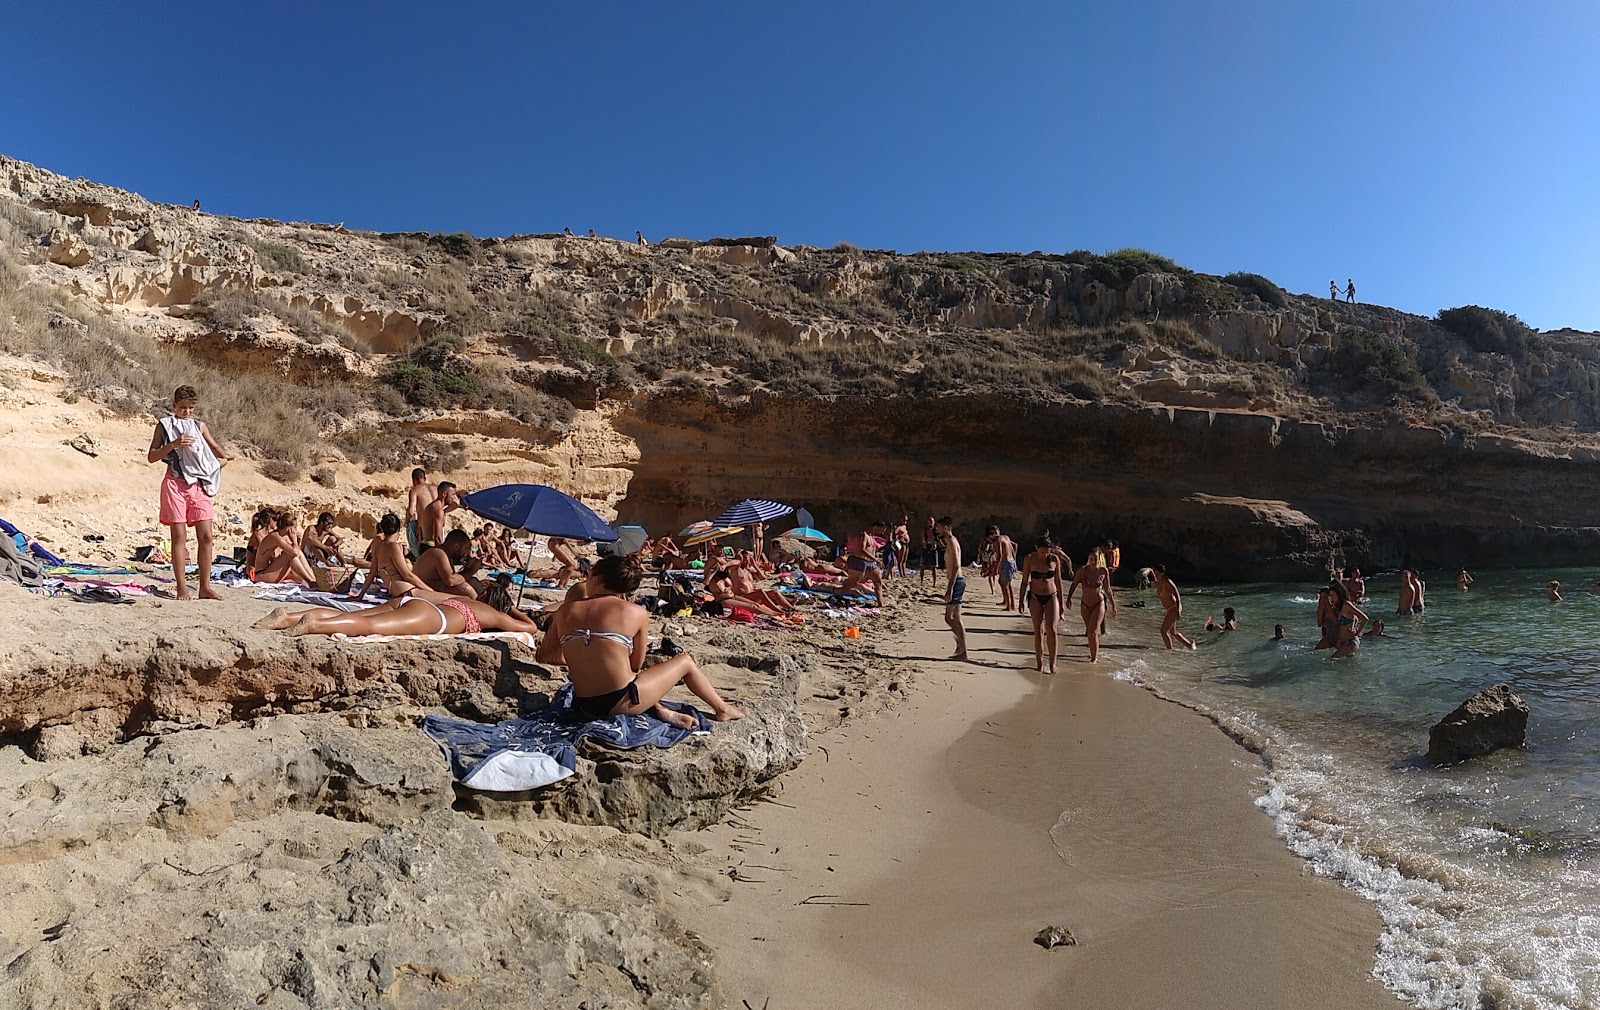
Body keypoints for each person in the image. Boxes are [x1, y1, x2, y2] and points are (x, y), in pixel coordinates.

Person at [535, 555, 744, 725]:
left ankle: (662, 711)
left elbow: (545, 656)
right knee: (686, 661)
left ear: (597, 579)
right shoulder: (636, 612)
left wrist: (582, 656)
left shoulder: (565, 611)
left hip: (583, 706)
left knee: (627, 678)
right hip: (621, 702)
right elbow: (635, 665)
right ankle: (722, 709)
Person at [146, 384, 229, 600]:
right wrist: (174, 444)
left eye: (191, 408)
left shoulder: (199, 427)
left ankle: (205, 586)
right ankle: (181, 586)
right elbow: (152, 456)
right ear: (174, 405)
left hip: (197, 485)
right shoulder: (164, 426)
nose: (187, 412)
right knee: (179, 536)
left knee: (206, 535)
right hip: (175, 483)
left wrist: (217, 463)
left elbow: (218, 451)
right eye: (183, 408)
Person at [258, 585, 542, 639]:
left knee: (365, 615)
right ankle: (313, 625)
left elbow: (422, 594)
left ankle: (287, 617)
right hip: (433, 618)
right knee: (370, 627)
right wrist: (515, 610)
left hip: (416, 602)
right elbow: (530, 629)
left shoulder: (465, 599)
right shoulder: (494, 615)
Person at [1016, 536, 1062, 674]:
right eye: (1042, 552)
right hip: (1035, 597)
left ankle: (1053, 663)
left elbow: (1058, 580)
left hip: (1051, 596)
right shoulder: (1029, 559)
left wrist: (1062, 601)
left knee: (1052, 629)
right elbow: (1024, 581)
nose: (1044, 555)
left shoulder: (1054, 559)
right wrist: (1021, 600)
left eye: (1047, 552)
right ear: (1037, 548)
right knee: (1038, 630)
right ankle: (1039, 662)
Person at [1066, 549, 1115, 663]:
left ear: (1100, 559)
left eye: (1096, 559)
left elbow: (1107, 589)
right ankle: (1092, 652)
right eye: (1091, 559)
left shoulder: (1103, 571)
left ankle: (1094, 659)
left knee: (1093, 632)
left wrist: (1113, 605)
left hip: (1099, 603)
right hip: (1085, 604)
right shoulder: (1082, 571)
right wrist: (1068, 598)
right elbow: (1073, 585)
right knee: (1089, 632)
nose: (1093, 561)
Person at [364, 513, 429, 598]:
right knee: (447, 599)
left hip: (396, 591)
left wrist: (360, 595)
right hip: (406, 590)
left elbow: (372, 572)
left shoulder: (379, 544)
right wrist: (430, 590)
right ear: (398, 529)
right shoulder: (393, 546)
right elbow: (408, 576)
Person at [255, 512, 317, 586]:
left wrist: (298, 541)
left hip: (272, 572)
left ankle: (313, 579)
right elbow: (294, 553)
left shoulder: (284, 537)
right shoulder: (275, 537)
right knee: (289, 554)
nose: (295, 530)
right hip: (262, 574)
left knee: (298, 553)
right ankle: (310, 581)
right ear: (288, 527)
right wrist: (294, 540)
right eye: (294, 527)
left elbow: (297, 552)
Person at [937, 517, 967, 661]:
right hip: (956, 581)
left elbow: (955, 566)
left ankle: (962, 648)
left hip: (956, 582)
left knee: (951, 618)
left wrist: (949, 589)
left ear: (945, 527)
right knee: (954, 617)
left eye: (939, 527)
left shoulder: (952, 541)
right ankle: (961, 649)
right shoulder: (949, 541)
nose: (937, 530)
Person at [414, 529, 477, 598]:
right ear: (456, 546)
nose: (466, 552)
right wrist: (470, 571)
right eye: (466, 548)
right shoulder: (440, 554)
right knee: (466, 590)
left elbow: (454, 578)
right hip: (423, 591)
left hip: (433, 588)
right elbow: (450, 581)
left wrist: (468, 567)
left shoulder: (447, 554)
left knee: (473, 581)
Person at [1151, 565, 1196, 650]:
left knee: (1163, 631)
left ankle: (1169, 651)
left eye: (1157, 574)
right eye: (1155, 574)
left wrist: (1178, 610)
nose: (1156, 576)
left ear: (1163, 573)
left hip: (1174, 607)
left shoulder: (1168, 582)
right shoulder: (1160, 581)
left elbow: (1177, 595)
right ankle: (1190, 645)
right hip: (1169, 609)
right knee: (1173, 632)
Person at [842, 523, 887, 603]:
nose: (880, 532)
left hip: (871, 563)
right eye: (880, 530)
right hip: (860, 561)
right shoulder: (863, 535)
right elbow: (861, 549)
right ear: (875, 527)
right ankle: (837, 593)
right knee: (853, 583)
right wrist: (876, 559)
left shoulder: (872, 537)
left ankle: (881, 603)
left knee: (878, 583)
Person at [1326, 583, 1368, 658]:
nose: (1331, 598)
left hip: (1350, 642)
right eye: (1330, 596)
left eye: (1333, 595)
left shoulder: (1347, 605)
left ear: (1338, 595)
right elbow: (1353, 618)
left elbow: (1364, 618)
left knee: (1332, 660)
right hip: (1343, 642)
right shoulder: (1339, 607)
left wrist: (1357, 632)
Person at [405, 468, 438, 559]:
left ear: (414, 480)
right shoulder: (436, 489)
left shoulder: (415, 490)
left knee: (423, 553)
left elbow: (411, 511)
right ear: (425, 478)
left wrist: (407, 520)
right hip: (438, 523)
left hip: (424, 524)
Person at [421, 481, 461, 547]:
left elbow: (455, 504)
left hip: (426, 543)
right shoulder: (438, 511)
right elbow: (437, 538)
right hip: (431, 545)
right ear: (444, 494)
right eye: (453, 494)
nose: (454, 497)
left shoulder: (436, 507)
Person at [245, 508, 275, 581]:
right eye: (274, 519)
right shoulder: (258, 534)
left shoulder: (269, 534)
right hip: (254, 571)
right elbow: (265, 552)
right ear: (270, 520)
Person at [995, 528, 1018, 612]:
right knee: (1005, 583)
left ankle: (1009, 606)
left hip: (1006, 562)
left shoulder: (998, 539)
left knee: (1005, 584)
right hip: (1010, 561)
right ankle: (1009, 603)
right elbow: (1015, 545)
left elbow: (1000, 555)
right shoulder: (1006, 537)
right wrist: (1014, 558)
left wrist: (996, 568)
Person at [918, 517, 941, 592]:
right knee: (922, 566)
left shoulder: (936, 531)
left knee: (934, 567)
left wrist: (941, 545)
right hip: (925, 549)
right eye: (929, 522)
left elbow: (938, 540)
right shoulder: (925, 531)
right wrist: (925, 544)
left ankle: (934, 583)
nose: (930, 523)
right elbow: (922, 540)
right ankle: (921, 581)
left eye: (931, 522)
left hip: (933, 550)